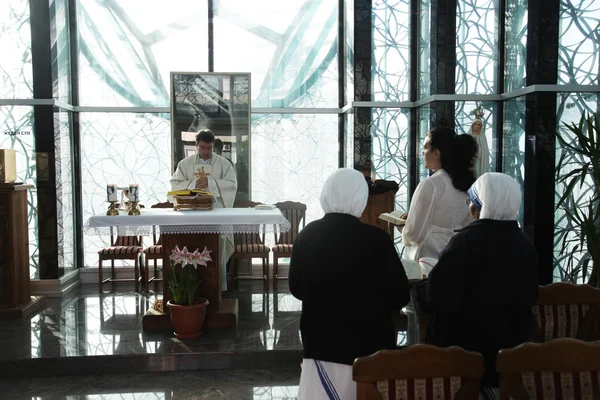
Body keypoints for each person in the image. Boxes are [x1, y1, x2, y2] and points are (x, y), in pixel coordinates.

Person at [289, 168, 411, 400]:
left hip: (321, 344)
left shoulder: (307, 235)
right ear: (361, 199)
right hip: (370, 349)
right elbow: (399, 295)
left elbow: (296, 288)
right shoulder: (377, 239)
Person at [416, 173, 538, 399]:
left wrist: (424, 283)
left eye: (470, 201)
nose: (469, 206)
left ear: (479, 207)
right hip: (511, 356)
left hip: (463, 358)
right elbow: (530, 296)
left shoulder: (465, 242)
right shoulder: (525, 245)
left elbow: (438, 299)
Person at [170, 129, 237, 291]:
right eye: (202, 148)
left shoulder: (223, 163)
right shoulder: (185, 164)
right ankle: (189, 286)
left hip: (214, 212)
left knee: (216, 248)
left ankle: (216, 286)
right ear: (196, 146)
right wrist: (194, 184)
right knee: (190, 246)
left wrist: (210, 183)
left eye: (209, 148)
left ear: (213, 146)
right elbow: (175, 183)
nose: (205, 152)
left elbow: (232, 184)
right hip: (190, 213)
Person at [401, 127, 477, 260]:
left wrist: (403, 226)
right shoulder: (468, 184)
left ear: (436, 153)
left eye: (425, 147)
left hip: (426, 261)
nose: (422, 152)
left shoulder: (431, 184)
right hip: (454, 257)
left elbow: (413, 235)